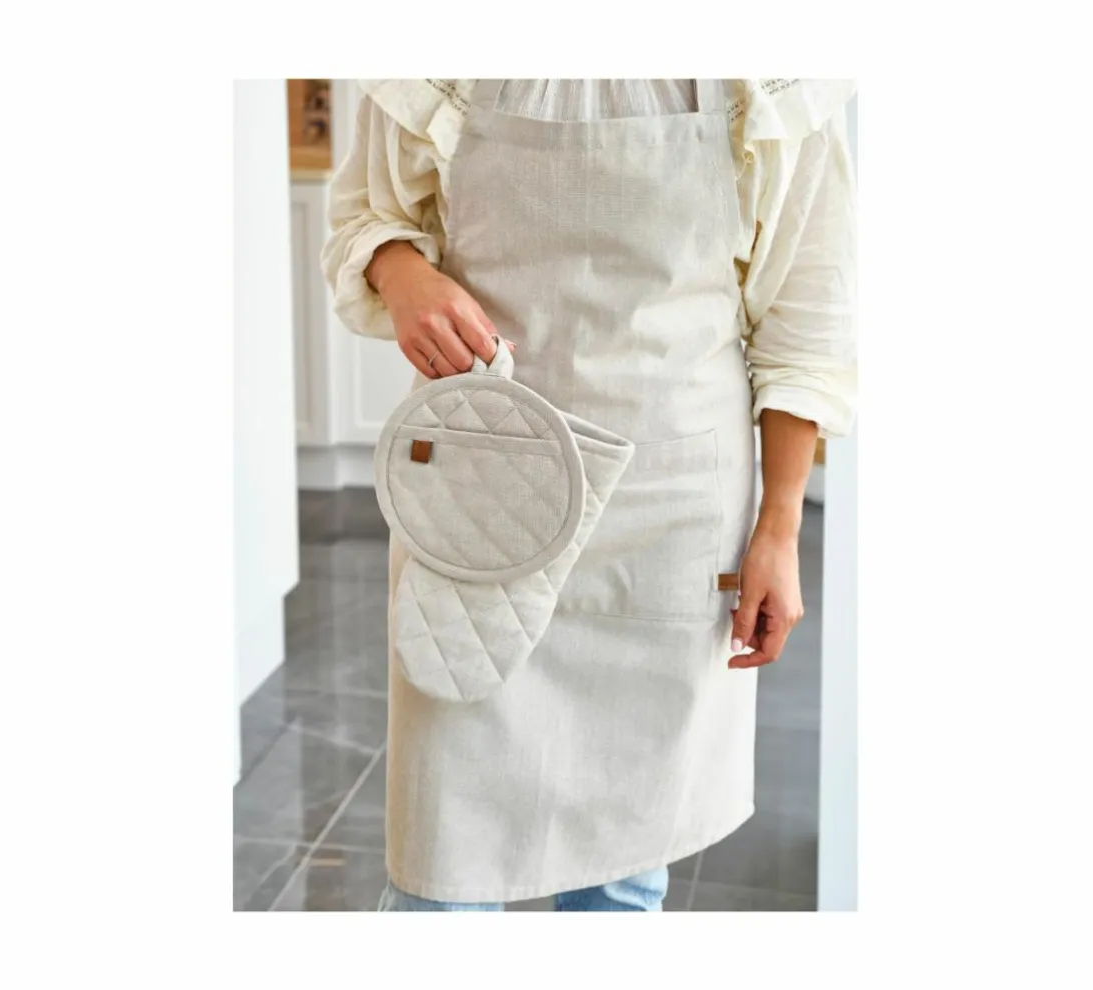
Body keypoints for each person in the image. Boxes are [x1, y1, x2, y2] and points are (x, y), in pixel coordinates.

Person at [322, 79, 857, 912]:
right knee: (442, 870)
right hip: (483, 489)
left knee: (622, 877)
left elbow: (806, 316)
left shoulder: (771, 73)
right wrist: (403, 276)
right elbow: (366, 211)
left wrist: (780, 526)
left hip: (666, 504)